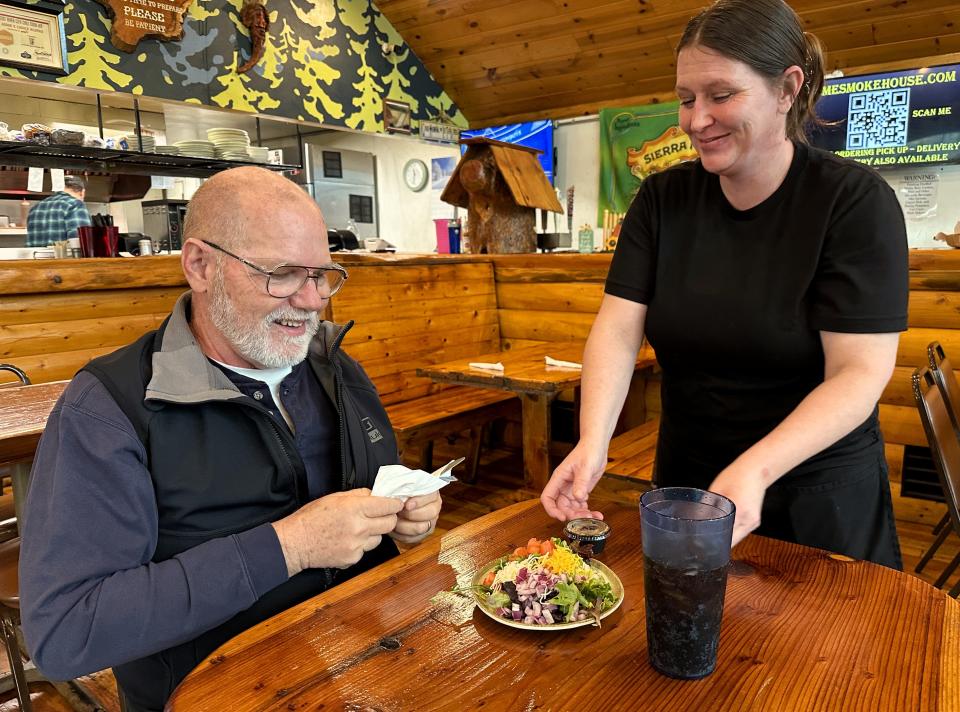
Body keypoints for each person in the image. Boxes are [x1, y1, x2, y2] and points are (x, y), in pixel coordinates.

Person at [19, 166, 442, 711]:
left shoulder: (337, 370)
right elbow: (66, 631)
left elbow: (376, 509)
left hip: (367, 672)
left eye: (323, 274)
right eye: (284, 274)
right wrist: (288, 547)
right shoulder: (112, 408)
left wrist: (408, 520)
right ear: (200, 264)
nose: (313, 301)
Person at [542, 0, 908, 569]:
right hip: (688, 483)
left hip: (814, 491)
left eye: (721, 95)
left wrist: (756, 469)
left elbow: (859, 372)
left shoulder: (853, 202)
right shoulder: (663, 200)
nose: (695, 119)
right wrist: (594, 443)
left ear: (787, 89)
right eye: (687, 99)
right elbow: (617, 331)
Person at [25, 174, 92, 247]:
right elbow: (81, 244)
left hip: (35, 258)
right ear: (82, 192)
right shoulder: (75, 205)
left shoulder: (35, 208)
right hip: (63, 257)